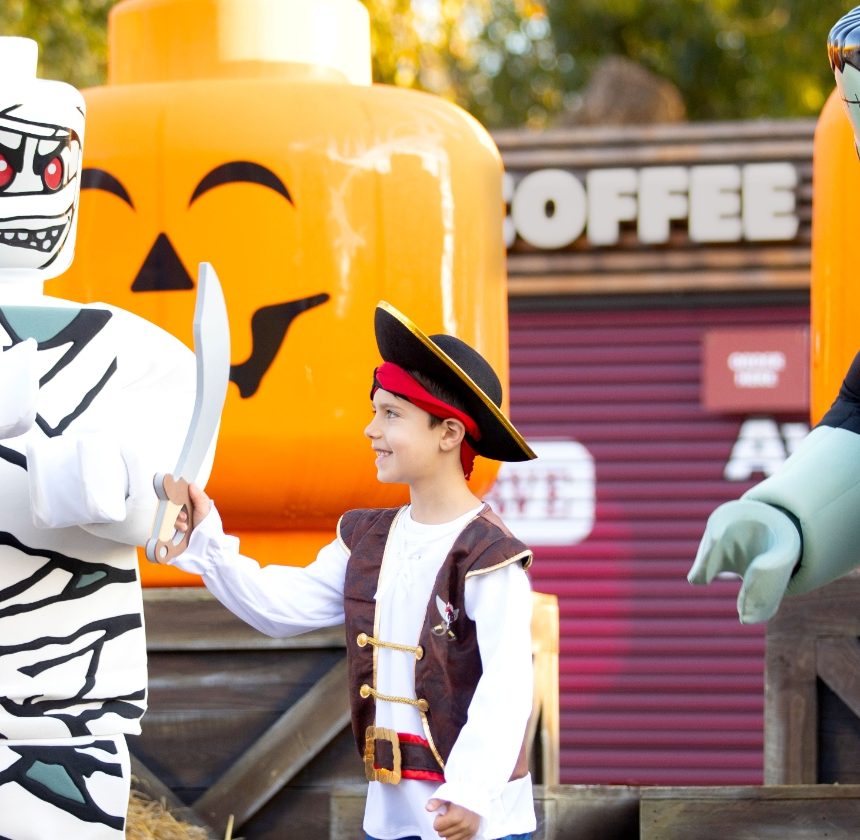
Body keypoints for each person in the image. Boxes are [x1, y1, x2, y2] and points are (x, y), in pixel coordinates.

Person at [171, 300, 538, 840]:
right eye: (374, 411)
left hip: (472, 818)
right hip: (390, 816)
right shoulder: (368, 539)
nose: (370, 430)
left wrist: (471, 791)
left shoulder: (489, 554)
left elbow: (508, 682)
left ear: (449, 433)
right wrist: (207, 541)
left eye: (391, 415)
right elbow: (281, 609)